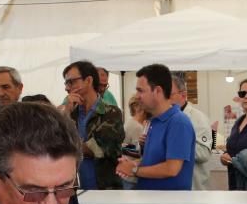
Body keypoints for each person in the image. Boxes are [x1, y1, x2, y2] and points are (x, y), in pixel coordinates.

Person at [115, 63, 195, 191]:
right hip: (152, 202)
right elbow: (153, 161)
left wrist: (134, 169)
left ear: (157, 91)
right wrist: (133, 164)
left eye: (140, 90)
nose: (136, 95)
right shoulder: (154, 121)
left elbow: (171, 169)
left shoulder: (179, 122)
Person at [60, 60, 124, 191]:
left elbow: (98, 149)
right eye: (66, 83)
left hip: (104, 189)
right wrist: (65, 114)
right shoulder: (70, 112)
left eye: (71, 82)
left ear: (88, 81)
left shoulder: (111, 112)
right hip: (74, 191)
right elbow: (53, 144)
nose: (67, 87)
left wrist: (66, 145)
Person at [170, 72, 212, 191]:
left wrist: (173, 144)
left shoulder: (198, 118)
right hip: (170, 186)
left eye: (170, 94)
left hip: (193, 186)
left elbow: (204, 154)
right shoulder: (162, 118)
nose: (165, 98)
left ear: (183, 95)